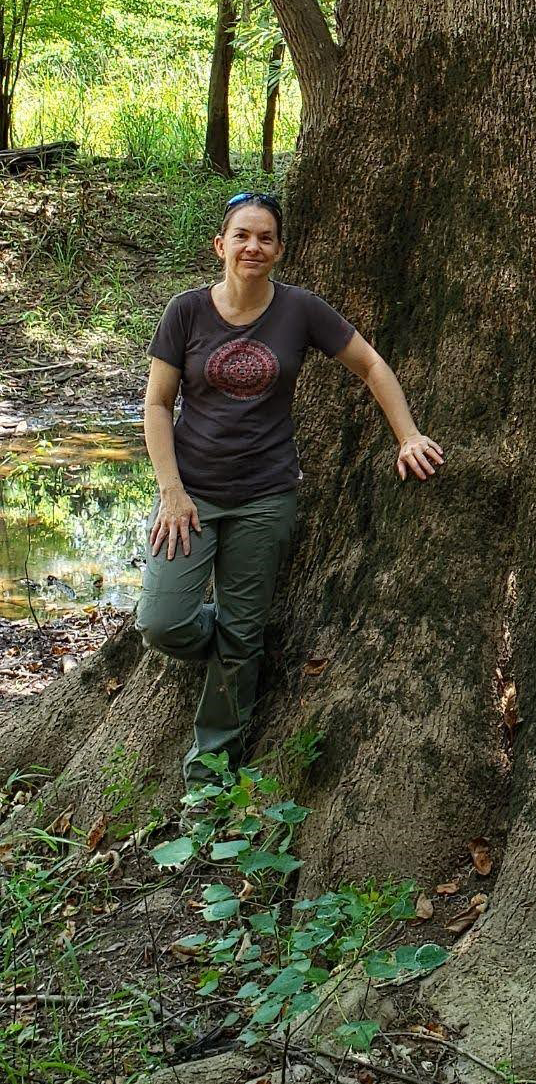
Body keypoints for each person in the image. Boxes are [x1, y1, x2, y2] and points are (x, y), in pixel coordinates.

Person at [137, 188, 443, 791]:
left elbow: (372, 365)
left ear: (279, 250)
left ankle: (210, 774)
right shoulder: (186, 312)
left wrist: (407, 436)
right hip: (191, 496)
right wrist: (171, 490)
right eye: (242, 235)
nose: (253, 246)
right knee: (162, 622)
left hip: (265, 496)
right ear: (220, 244)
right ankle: (236, 647)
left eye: (266, 238)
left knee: (243, 631)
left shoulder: (300, 310)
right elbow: (156, 402)